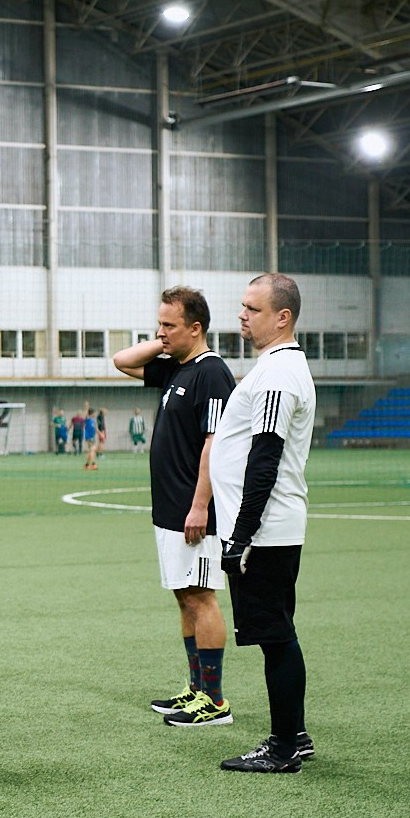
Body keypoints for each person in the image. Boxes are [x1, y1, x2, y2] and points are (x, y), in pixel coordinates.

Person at [207, 273, 318, 774]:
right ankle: (294, 736)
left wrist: (241, 535)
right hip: (270, 529)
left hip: (264, 532)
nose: (241, 316)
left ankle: (284, 748)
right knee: (279, 633)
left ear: (282, 317)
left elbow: (265, 458)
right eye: (242, 306)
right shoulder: (277, 368)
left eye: (252, 308)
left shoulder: (276, 373)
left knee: (276, 637)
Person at [112, 286, 236, 727]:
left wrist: (200, 505)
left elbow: (214, 442)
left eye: (170, 325)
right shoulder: (177, 370)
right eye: (158, 324)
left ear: (196, 328)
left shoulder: (212, 372)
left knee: (202, 597)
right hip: (169, 509)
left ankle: (216, 702)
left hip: (195, 512)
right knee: (185, 597)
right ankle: (196, 688)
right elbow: (122, 361)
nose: (160, 333)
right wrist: (165, 340)